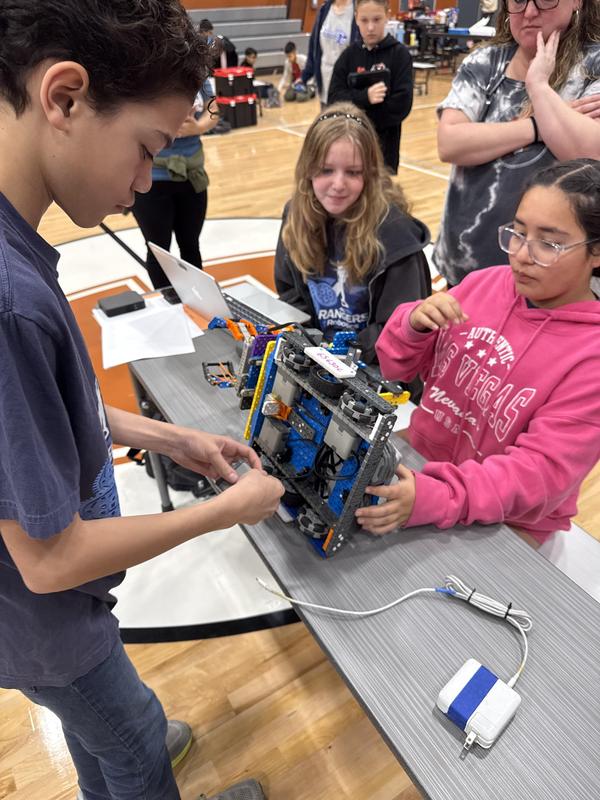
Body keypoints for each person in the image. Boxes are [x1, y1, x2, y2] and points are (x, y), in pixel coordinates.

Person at [0, 4, 283, 800]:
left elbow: (51, 411)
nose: (144, 182)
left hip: (38, 619)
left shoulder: (17, 245)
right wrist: (225, 510)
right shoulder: (10, 300)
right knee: (133, 739)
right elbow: (50, 562)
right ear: (64, 98)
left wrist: (170, 436)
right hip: (43, 621)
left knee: (110, 730)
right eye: (147, 148)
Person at [356, 159, 600, 547]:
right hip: (421, 470)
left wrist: (438, 495)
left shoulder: (591, 356)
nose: (521, 254)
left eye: (549, 243)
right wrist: (412, 325)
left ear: (596, 252)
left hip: (507, 521)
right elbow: (395, 366)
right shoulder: (482, 284)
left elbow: (538, 476)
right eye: (518, 233)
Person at [434, 0, 600, 287]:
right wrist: (537, 126)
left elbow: (587, 153)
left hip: (552, 286)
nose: (530, 11)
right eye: (518, 0)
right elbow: (450, 143)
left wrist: (538, 86)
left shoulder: (594, 66)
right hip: (465, 273)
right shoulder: (485, 62)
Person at [274, 103, 431, 367]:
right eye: (326, 170)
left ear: (369, 175)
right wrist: (310, 343)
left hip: (375, 370)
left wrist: (341, 352)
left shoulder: (396, 234)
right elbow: (290, 292)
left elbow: (400, 329)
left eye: (353, 172)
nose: (338, 184)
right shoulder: (295, 215)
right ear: (308, 169)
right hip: (319, 361)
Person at [132, 79, 217, 289]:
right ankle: (166, 303)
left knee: (191, 246)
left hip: (192, 176)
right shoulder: (143, 71)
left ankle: (198, 305)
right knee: (158, 250)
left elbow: (213, 109)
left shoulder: (199, 75)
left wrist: (198, 127)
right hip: (152, 178)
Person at [328, 0, 413, 174]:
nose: (371, 27)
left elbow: (401, 105)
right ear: (356, 19)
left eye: (376, 19)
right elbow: (334, 98)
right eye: (364, 20)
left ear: (387, 16)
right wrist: (364, 97)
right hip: (350, 146)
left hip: (384, 150)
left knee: (381, 196)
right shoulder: (349, 55)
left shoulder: (399, 55)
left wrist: (359, 115)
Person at [301, 0, 361, 108]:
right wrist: (305, 76)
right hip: (324, 86)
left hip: (347, 91)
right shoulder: (324, 9)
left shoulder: (358, 9)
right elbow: (314, 47)